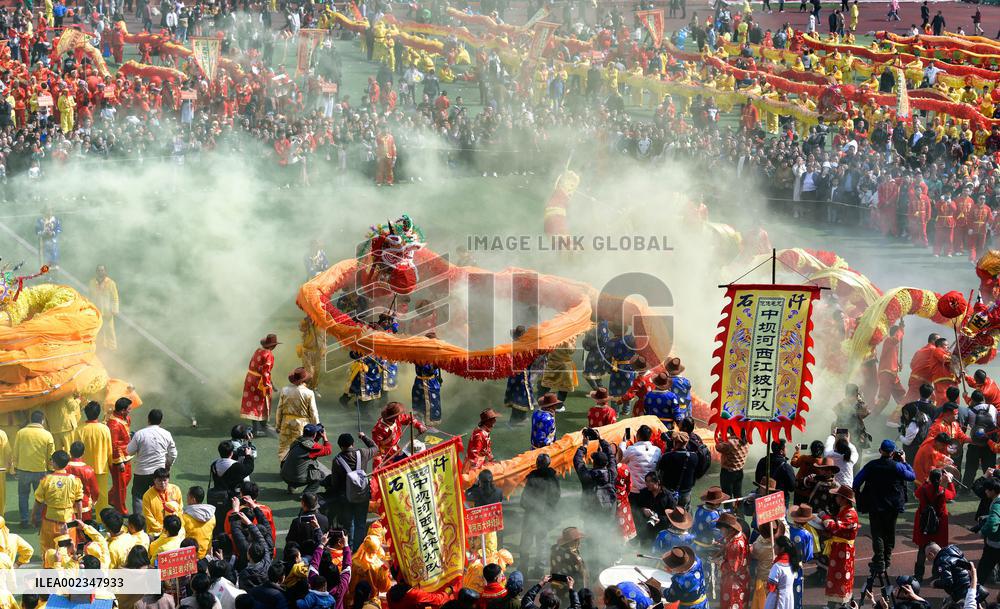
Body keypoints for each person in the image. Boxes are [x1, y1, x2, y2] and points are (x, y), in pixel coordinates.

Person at [853, 439, 914, 575]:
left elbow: (856, 482)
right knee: (889, 532)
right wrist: (904, 461)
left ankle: (879, 560)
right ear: (893, 453)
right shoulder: (898, 466)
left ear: (880, 451)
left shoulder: (871, 465)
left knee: (877, 533)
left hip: (874, 505)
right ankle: (886, 559)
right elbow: (912, 476)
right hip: (892, 505)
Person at [330, 432, 377, 550]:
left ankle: (349, 549)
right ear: (353, 443)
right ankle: (359, 549)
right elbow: (375, 448)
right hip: (363, 495)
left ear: (340, 446)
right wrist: (363, 436)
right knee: (360, 523)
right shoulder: (363, 453)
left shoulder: (337, 461)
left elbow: (334, 484)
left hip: (346, 498)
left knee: (349, 523)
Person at [32, 449, 83, 553]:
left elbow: (38, 501)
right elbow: (78, 501)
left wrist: (33, 516)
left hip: (49, 519)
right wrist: (80, 519)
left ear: (54, 463)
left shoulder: (46, 479)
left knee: (48, 550)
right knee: (68, 550)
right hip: (69, 520)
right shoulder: (75, 480)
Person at [128, 409, 177, 515]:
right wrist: (167, 466)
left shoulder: (139, 434)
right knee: (160, 496)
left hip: (141, 472)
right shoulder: (166, 434)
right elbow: (173, 454)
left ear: (148, 420)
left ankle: (138, 524)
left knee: (138, 496)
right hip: (159, 472)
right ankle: (160, 520)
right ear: (161, 421)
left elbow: (129, 451)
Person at [520, 453, 560, 575]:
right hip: (545, 516)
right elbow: (556, 496)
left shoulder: (532, 478)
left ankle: (523, 569)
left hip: (531, 515)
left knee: (526, 543)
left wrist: (528, 507)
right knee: (541, 543)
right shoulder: (553, 478)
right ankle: (539, 569)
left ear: (537, 464)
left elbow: (525, 498)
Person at [913, 468, 957, 581]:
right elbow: (952, 495)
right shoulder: (942, 490)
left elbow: (916, 494)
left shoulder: (923, 488)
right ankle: (936, 574)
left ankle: (918, 575)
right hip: (939, 523)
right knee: (939, 550)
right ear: (940, 478)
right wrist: (950, 481)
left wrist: (926, 481)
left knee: (922, 549)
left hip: (924, 522)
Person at [13, 410, 55, 526]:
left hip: (23, 470)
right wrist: (51, 469)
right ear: (42, 420)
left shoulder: (21, 433)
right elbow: (50, 455)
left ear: (31, 419)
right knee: (41, 498)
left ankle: (24, 520)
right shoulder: (47, 435)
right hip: (40, 471)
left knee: (23, 496)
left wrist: (15, 467)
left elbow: (15, 452)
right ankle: (38, 520)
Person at [822, 486, 859, 609]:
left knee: (841, 575)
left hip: (844, 550)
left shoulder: (850, 513)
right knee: (836, 574)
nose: (836, 498)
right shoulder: (845, 510)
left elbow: (835, 527)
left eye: (838, 496)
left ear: (843, 499)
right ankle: (834, 602)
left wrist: (825, 518)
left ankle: (840, 603)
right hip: (840, 548)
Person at [74, 401, 113, 514]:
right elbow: (109, 449)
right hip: (101, 467)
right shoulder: (104, 429)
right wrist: (110, 464)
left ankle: (85, 518)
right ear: (99, 413)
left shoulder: (80, 429)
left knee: (84, 494)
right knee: (102, 495)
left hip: (83, 468)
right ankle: (101, 520)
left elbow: (76, 450)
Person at [276, 367, 320, 461]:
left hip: (286, 422)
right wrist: (317, 427)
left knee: (284, 447)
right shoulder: (309, 393)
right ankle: (296, 469)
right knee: (300, 447)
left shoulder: (285, 390)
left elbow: (279, 409)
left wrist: (278, 425)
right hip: (302, 424)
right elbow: (313, 412)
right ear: (304, 380)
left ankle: (284, 468)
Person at [240, 334, 279, 437]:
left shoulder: (258, 351)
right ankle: (259, 428)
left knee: (253, 403)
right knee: (261, 403)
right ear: (273, 346)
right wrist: (268, 385)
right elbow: (266, 372)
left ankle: (258, 426)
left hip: (250, 379)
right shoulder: (269, 354)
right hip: (260, 382)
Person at [573, 428, 616, 515]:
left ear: (594, 463)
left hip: (590, 515)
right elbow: (611, 455)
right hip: (609, 514)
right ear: (606, 463)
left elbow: (577, 460)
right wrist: (601, 439)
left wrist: (584, 446)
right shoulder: (612, 473)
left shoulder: (587, 476)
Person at [281, 424, 332, 494]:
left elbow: (308, 445)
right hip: (297, 479)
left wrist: (316, 438)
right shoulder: (312, 449)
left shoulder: (296, 441)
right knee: (320, 476)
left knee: (297, 465)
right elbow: (328, 450)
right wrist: (325, 437)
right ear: (314, 435)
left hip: (284, 475)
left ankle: (291, 487)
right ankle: (306, 495)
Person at [372, 402, 426, 466]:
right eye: (398, 415)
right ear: (394, 417)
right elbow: (376, 446)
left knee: (398, 464)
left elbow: (408, 419)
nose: (400, 416)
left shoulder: (397, 418)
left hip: (395, 449)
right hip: (384, 454)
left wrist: (419, 426)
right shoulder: (379, 429)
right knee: (387, 469)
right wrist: (389, 439)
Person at [657, 431, 700, 508]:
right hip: (686, 492)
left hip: (669, 492)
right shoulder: (694, 456)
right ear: (686, 443)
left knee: (668, 514)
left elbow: (660, 471)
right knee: (683, 515)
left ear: (674, 442)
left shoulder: (667, 456)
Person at [716, 512, 749, 609]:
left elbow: (732, 568)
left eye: (722, 528)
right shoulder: (741, 535)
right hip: (743, 578)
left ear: (730, 529)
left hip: (734, 582)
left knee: (731, 604)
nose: (720, 531)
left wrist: (718, 562)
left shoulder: (735, 545)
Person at [964, 389, 997, 487]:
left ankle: (966, 488)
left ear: (973, 400)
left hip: (975, 444)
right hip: (989, 444)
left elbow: (971, 426)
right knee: (989, 469)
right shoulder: (992, 408)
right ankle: (992, 488)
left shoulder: (970, 411)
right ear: (983, 399)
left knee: (970, 468)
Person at [787, 505, 817, 609]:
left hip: (784, 564)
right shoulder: (807, 534)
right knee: (796, 592)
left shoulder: (786, 529)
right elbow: (807, 557)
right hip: (797, 567)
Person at [142, 467, 183, 539]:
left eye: (165, 480)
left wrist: (175, 526)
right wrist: (163, 529)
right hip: (156, 532)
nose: (163, 483)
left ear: (168, 479)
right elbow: (149, 516)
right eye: (159, 481)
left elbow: (180, 509)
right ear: (154, 480)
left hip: (174, 529)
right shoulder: (147, 496)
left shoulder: (175, 489)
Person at [108, 398, 133, 514]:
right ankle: (121, 510)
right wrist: (119, 462)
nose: (130, 410)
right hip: (119, 460)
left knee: (126, 480)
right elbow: (113, 444)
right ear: (123, 410)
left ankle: (112, 498)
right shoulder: (114, 424)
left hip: (126, 455)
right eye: (129, 409)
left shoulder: (125, 418)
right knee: (121, 486)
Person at [754, 439, 797, 504]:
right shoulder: (786, 467)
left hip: (764, 498)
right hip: (780, 501)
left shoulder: (762, 461)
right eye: (786, 447)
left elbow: (758, 480)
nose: (787, 449)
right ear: (781, 451)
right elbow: (792, 487)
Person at [66, 441, 100, 522]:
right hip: (84, 506)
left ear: (70, 452)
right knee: (85, 531)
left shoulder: (64, 468)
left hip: (67, 506)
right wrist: (94, 500)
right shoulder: (88, 470)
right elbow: (95, 490)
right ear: (83, 453)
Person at [89, 264, 120, 350]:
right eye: (99, 270)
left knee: (110, 330)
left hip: (108, 311)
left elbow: (115, 297)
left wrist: (115, 309)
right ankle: (102, 346)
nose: (100, 272)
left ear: (105, 271)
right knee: (98, 329)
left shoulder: (111, 283)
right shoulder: (92, 282)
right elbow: (90, 296)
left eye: (102, 270)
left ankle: (112, 347)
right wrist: (90, 307)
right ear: (96, 272)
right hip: (96, 310)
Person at [899, 385, 933, 462]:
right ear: (931, 394)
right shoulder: (930, 413)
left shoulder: (913, 407)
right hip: (925, 445)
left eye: (906, 414)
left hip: (912, 449)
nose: (905, 416)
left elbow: (907, 441)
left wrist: (901, 436)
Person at [181, 486, 216, 559]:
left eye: (188, 496)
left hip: (190, 556)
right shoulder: (212, 516)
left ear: (193, 499)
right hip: (206, 556)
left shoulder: (185, 518)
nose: (186, 498)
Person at [764, 536, 799, 609]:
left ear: (782, 549)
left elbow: (771, 587)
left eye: (775, 545)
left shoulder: (777, 566)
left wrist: (765, 584)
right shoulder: (792, 562)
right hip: (789, 596)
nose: (773, 547)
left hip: (777, 598)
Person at [978, 477, 1000, 584]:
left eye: (987, 489)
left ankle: (973, 598)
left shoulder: (996, 504)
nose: (985, 491)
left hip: (994, 546)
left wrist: (983, 531)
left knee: (980, 575)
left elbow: (992, 525)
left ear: (992, 491)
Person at [716, 428, 749, 499]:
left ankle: (729, 510)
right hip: (739, 471)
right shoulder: (745, 441)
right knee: (738, 494)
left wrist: (721, 437)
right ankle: (740, 509)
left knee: (727, 496)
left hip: (727, 473)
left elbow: (718, 447)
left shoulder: (729, 443)